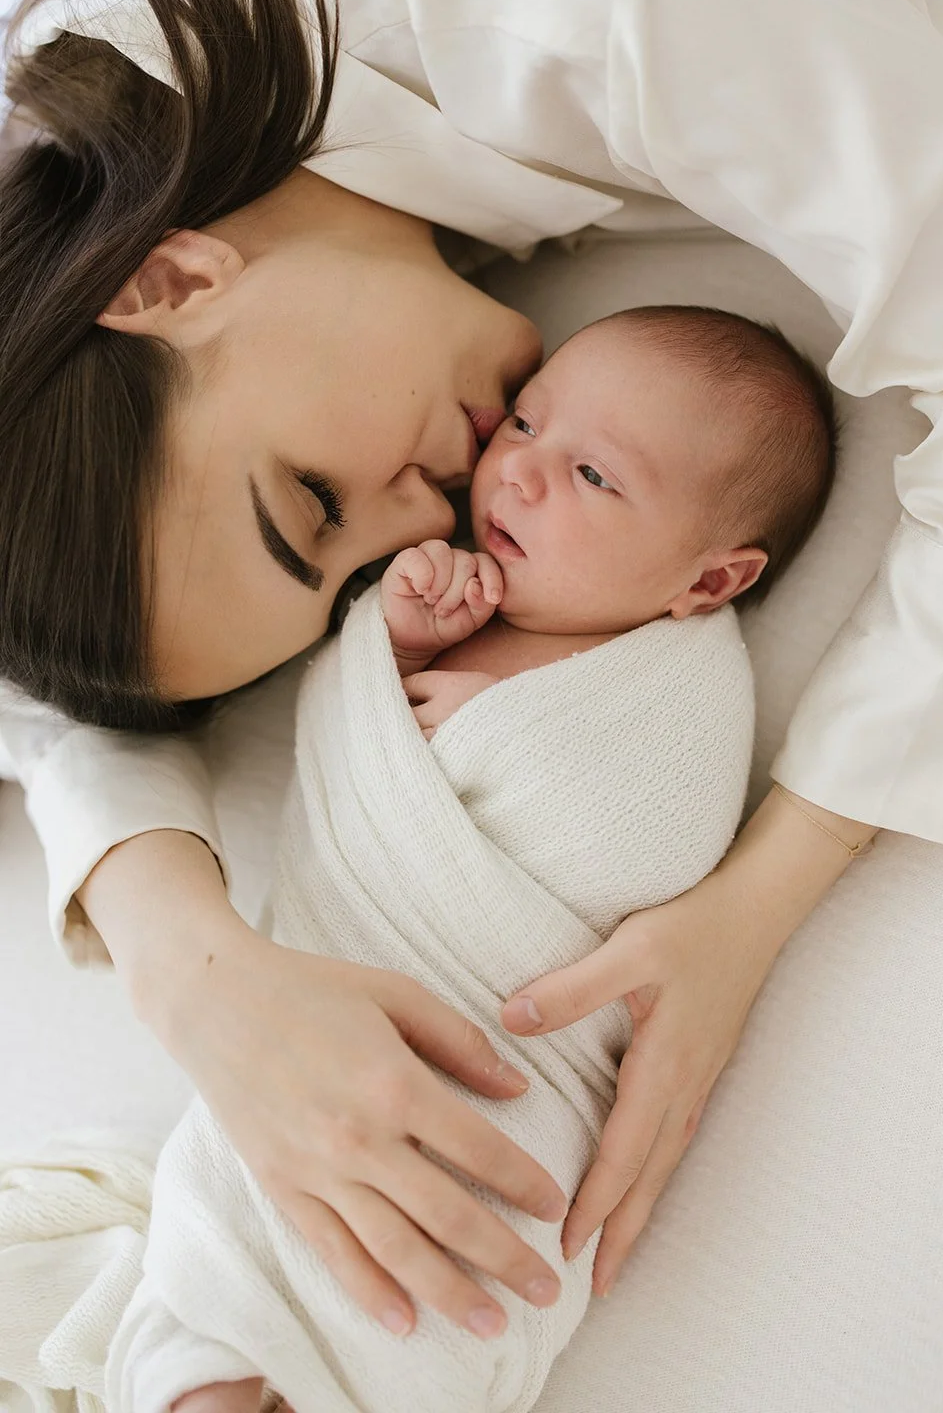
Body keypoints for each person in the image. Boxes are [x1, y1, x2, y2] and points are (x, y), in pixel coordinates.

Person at [1, 0, 943, 1365]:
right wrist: (193, 968)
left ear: (168, 280)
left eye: (312, 499)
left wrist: (749, 905)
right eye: (356, 568)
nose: (424, 517)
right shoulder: (87, 172)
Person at [111, 304, 833, 1413]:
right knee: (230, 1261)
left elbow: (641, 837)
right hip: (323, 1008)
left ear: (709, 582)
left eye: (592, 474)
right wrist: (391, 645)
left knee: (369, 1288)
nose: (519, 472)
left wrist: (485, 725)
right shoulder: (447, 592)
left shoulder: (673, 693)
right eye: (528, 421)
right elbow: (346, 740)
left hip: (500, 1078)